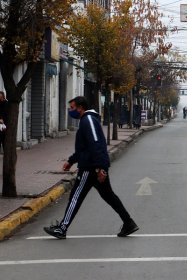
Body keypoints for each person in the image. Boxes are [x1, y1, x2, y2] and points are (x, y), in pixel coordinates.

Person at [44, 96, 138, 239]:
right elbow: (84, 148)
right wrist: (71, 161)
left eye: (72, 108)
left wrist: (100, 167)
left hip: (90, 168)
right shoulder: (87, 120)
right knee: (109, 196)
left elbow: (96, 144)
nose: (70, 111)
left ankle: (62, 228)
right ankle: (128, 222)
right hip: (95, 165)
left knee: (76, 197)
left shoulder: (88, 120)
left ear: (81, 107)